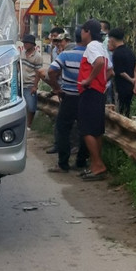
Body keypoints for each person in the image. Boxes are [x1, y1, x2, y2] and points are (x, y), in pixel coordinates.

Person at [45, 30, 87, 173]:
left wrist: (56, 88)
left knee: (63, 129)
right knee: (85, 130)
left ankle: (63, 164)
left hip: (68, 97)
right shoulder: (92, 55)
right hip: (86, 97)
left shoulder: (66, 55)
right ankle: (81, 162)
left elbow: (51, 71)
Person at [77, 19, 110, 180]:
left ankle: (97, 164)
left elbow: (98, 63)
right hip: (99, 92)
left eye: (82, 31)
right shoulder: (101, 47)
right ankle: (96, 164)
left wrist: (89, 80)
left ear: (87, 31)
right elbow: (110, 71)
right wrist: (101, 82)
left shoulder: (91, 47)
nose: (81, 34)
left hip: (90, 92)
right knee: (96, 130)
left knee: (86, 129)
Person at [108, 28, 136, 117]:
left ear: (112, 39)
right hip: (130, 87)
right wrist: (134, 81)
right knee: (127, 109)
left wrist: (131, 80)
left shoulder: (117, 53)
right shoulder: (129, 51)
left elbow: (120, 71)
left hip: (121, 86)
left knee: (121, 111)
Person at [19, 34, 43, 130]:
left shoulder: (37, 57)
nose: (25, 45)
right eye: (24, 43)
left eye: (27, 43)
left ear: (32, 44)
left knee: (31, 106)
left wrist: (35, 86)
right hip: (21, 83)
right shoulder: (22, 53)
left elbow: (38, 73)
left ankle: (29, 125)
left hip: (30, 84)